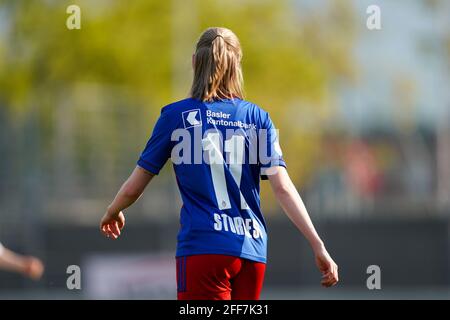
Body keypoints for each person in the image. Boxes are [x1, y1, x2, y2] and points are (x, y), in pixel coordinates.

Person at [100, 27, 338, 300]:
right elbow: (283, 188)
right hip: (252, 253)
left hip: (204, 249)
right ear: (237, 66)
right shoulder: (258, 118)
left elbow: (134, 188)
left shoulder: (175, 116)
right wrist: (317, 245)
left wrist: (113, 209)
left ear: (194, 62)